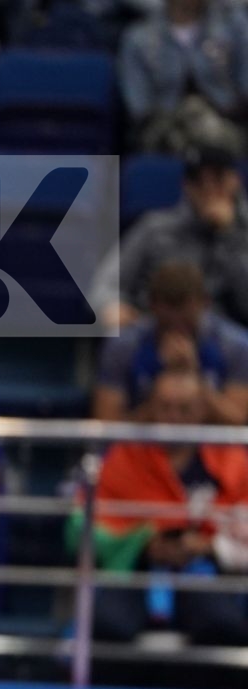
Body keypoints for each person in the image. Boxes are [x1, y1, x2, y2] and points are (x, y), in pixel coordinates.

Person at [78, 368, 248, 645]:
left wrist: (207, 546)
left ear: (202, 411)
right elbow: (81, 529)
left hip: (205, 572)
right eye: (165, 407)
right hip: (134, 571)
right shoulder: (124, 457)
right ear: (150, 409)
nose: (174, 418)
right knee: (107, 625)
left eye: (185, 409)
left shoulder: (233, 461)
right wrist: (142, 542)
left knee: (224, 626)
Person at [93, 144, 248, 332]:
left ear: (235, 180)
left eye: (218, 178)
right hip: (156, 328)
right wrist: (111, 306)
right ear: (186, 186)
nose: (209, 188)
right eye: (198, 180)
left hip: (224, 337)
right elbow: (106, 284)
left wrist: (228, 236)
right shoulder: (155, 228)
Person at [92, 259, 248, 424]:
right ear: (152, 305)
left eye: (186, 322)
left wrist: (194, 377)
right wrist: (161, 395)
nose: (177, 328)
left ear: (205, 303)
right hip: (143, 441)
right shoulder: (123, 346)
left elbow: (237, 423)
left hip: (210, 441)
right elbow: (107, 426)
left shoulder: (235, 346)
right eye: (167, 322)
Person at [120, 0, 248, 155]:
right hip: (165, 130)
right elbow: (139, 107)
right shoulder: (138, 38)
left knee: (202, 117)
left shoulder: (234, 28)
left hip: (224, 124)